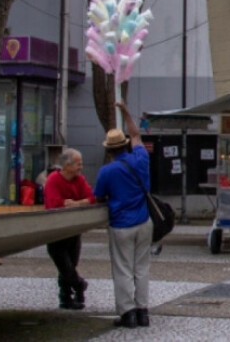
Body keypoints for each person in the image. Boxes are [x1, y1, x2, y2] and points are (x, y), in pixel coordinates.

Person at [93, 102, 154, 329]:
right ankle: (143, 311)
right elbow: (136, 134)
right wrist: (126, 112)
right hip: (143, 220)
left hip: (121, 224)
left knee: (122, 268)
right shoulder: (140, 159)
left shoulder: (107, 171)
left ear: (109, 150)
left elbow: (98, 196)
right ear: (125, 144)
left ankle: (127, 313)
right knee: (142, 267)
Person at [44, 148, 94, 310]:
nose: (81, 167)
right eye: (78, 164)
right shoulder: (53, 180)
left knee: (71, 263)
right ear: (67, 165)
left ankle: (67, 296)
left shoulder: (79, 180)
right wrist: (75, 202)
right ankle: (79, 286)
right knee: (62, 261)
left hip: (73, 228)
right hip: (55, 229)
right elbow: (54, 203)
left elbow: (92, 197)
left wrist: (77, 203)